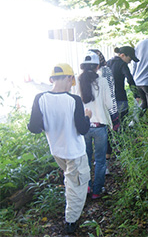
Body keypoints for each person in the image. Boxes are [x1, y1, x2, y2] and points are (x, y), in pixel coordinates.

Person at [28, 63, 92, 234]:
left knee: (71, 180)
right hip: (75, 152)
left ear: (51, 79)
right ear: (69, 78)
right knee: (77, 186)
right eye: (71, 80)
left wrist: (49, 123)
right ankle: (71, 223)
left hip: (57, 151)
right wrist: (87, 116)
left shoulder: (40, 98)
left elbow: (33, 127)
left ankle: (71, 213)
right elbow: (83, 129)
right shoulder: (74, 100)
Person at [76, 51, 118, 199]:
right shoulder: (102, 81)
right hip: (100, 126)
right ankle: (97, 190)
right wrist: (115, 119)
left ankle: (86, 186)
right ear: (97, 66)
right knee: (100, 160)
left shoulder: (77, 81)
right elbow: (109, 103)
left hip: (84, 126)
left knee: (85, 158)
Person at [89, 49, 120, 174]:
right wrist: (114, 115)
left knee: (104, 141)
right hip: (96, 114)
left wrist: (113, 114)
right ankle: (100, 168)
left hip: (98, 113)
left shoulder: (105, 71)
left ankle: (103, 166)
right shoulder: (90, 74)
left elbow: (110, 93)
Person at [107, 46, 140, 122]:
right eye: (130, 59)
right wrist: (136, 94)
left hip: (108, 98)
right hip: (120, 97)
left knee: (111, 123)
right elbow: (130, 79)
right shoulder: (122, 64)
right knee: (123, 122)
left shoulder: (108, 63)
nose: (130, 61)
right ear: (122, 55)